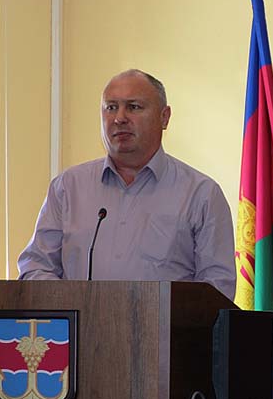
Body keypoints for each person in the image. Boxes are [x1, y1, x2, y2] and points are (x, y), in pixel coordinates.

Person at [17, 69, 236, 299]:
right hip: (80, 322)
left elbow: (218, 289)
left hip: (166, 324)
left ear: (164, 117)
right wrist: (73, 303)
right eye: (111, 107)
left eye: (133, 107)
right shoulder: (67, 188)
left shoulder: (201, 195)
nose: (119, 118)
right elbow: (35, 267)